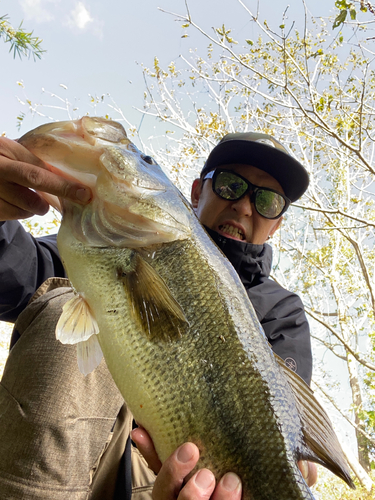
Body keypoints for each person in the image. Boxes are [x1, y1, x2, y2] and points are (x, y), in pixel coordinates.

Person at [0, 130, 317, 499]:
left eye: (267, 200)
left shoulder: (282, 310)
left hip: (177, 483)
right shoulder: (105, 243)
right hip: (69, 461)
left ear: (277, 224)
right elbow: (16, 275)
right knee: (63, 303)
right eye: (231, 185)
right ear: (197, 192)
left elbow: (289, 442)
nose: (245, 206)